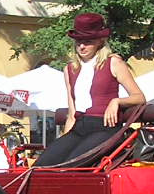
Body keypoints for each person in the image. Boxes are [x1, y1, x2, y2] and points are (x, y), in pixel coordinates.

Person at [36, 13, 145, 166]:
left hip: (105, 128)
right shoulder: (70, 69)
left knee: (69, 166)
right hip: (79, 128)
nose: (82, 46)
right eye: (79, 41)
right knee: (40, 166)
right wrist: (64, 142)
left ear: (100, 41)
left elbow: (139, 97)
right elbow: (72, 114)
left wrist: (117, 101)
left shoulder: (113, 62)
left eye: (88, 42)